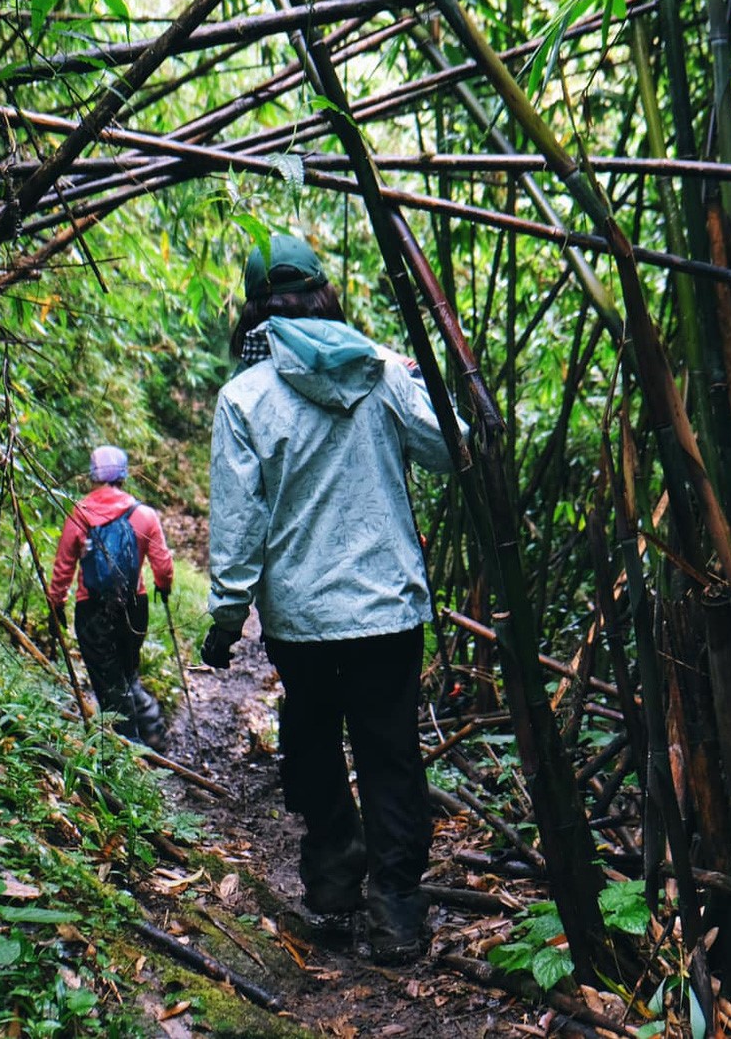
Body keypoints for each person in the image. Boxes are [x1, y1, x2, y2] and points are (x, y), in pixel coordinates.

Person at [199, 232, 454, 965]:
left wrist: (226, 617)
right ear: (324, 292)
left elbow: (240, 523)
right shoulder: (381, 371)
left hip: (303, 620)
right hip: (389, 612)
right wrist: (429, 380)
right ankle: (398, 911)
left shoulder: (244, 397)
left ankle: (337, 867)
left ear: (256, 310)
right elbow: (450, 447)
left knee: (310, 735)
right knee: (390, 753)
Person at [51, 445, 175, 751]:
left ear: (93, 475)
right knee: (126, 672)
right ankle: (153, 733)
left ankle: (129, 751)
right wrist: (164, 585)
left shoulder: (79, 515)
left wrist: (56, 603)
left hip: (92, 609)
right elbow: (162, 564)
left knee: (109, 681)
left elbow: (63, 567)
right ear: (123, 475)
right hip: (135, 607)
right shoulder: (144, 515)